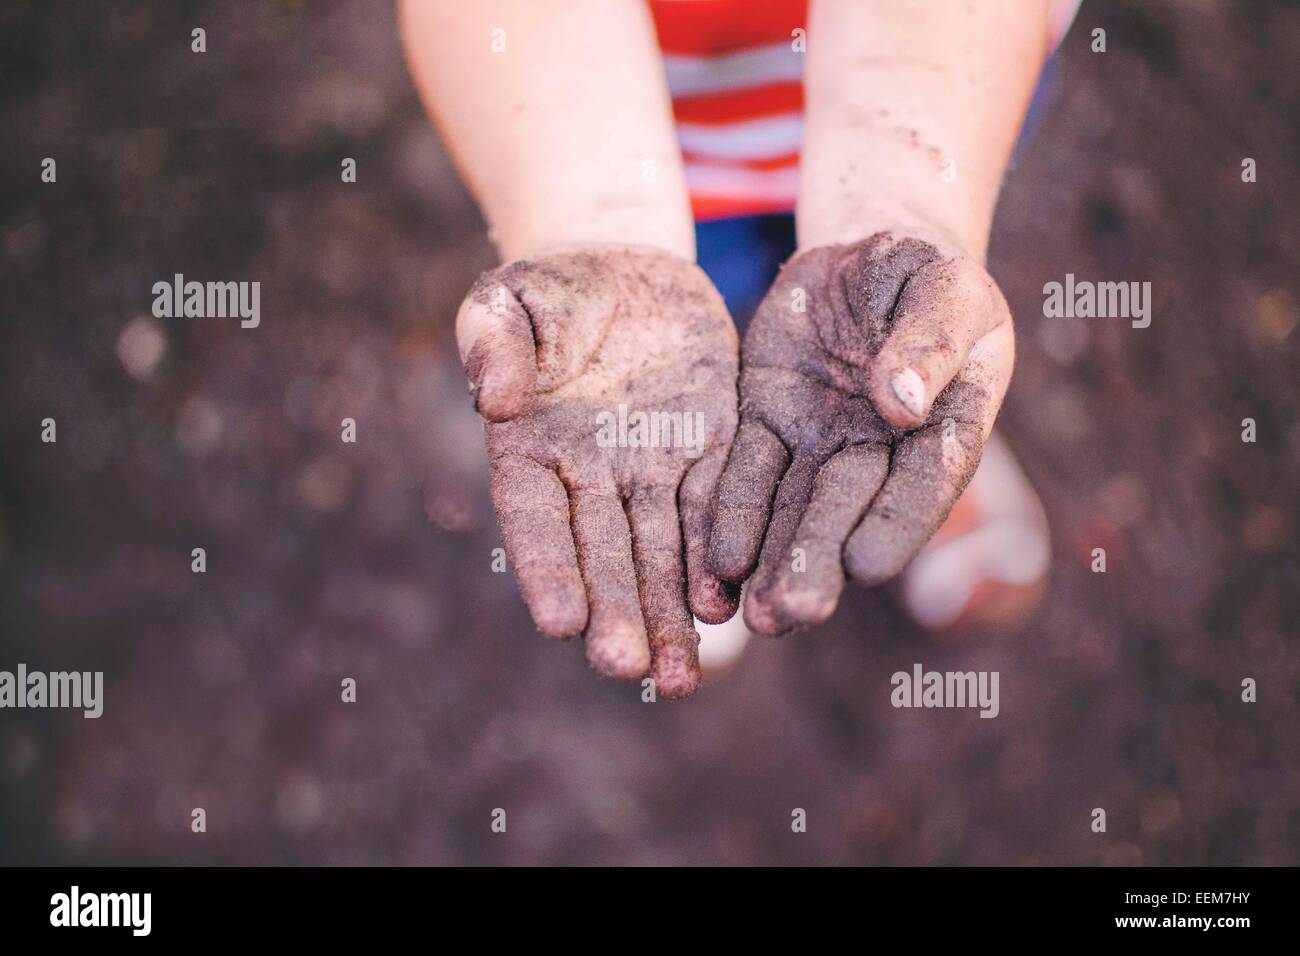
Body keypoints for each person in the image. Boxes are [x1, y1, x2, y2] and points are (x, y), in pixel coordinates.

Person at [399, 0, 1071, 697]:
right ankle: (726, 416)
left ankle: (905, 383)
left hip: (939, 86)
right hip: (604, 118)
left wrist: (902, 203)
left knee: (885, 297)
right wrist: (588, 221)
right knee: (687, 289)